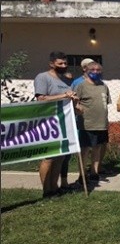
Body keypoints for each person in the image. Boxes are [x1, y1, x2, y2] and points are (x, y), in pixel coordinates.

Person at [33, 51, 78, 198]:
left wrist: (74, 101)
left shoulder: (66, 80)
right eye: (60, 63)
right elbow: (41, 99)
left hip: (64, 122)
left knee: (60, 157)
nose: (63, 66)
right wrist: (63, 95)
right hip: (49, 122)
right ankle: (46, 190)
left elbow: (68, 99)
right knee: (49, 157)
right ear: (52, 64)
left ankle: (55, 187)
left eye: (65, 63)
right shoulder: (43, 77)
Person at [75, 62, 111, 182]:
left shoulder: (103, 86)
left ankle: (94, 172)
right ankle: (82, 174)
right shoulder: (81, 86)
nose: (95, 72)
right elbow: (74, 102)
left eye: (98, 70)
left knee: (97, 148)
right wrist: (77, 107)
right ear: (86, 71)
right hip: (87, 124)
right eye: (92, 70)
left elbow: (106, 103)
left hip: (101, 124)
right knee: (85, 150)